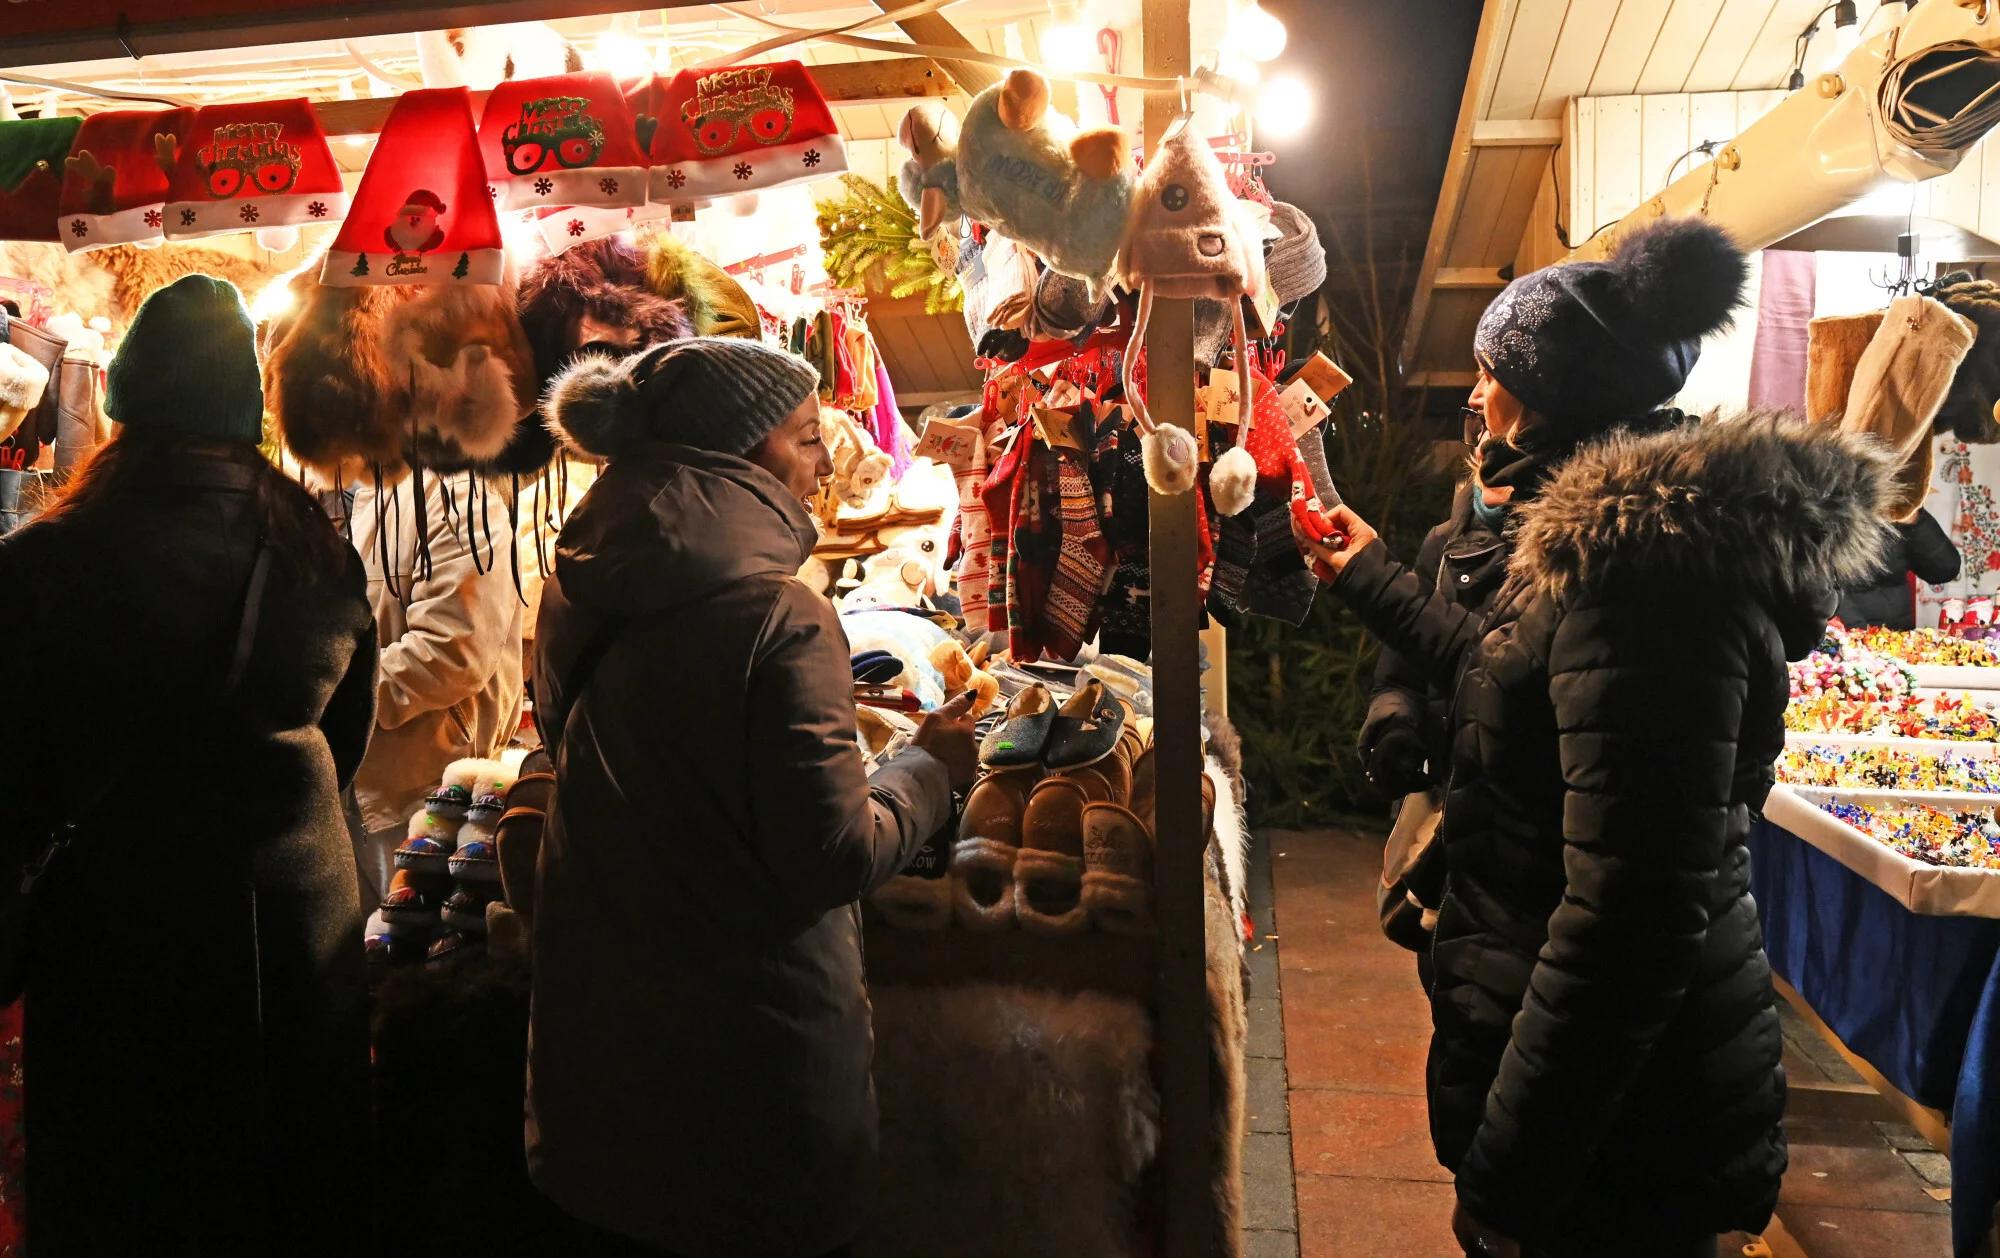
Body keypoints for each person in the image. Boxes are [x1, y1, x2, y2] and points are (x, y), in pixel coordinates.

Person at [1297, 220, 1897, 1258]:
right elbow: (1510, 678)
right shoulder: (1589, 560)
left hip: (1621, 1127)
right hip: (1593, 1092)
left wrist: (1511, 1171)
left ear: (1543, 394)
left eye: (1491, 373)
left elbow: (1630, 920)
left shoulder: (1645, 585)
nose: (1475, 395)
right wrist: (1371, 578)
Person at [526, 337, 978, 1257]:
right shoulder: (779, 612)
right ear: (748, 451)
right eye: (808, 437)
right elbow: (835, 853)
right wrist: (931, 767)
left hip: (600, 1050)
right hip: (753, 1070)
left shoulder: (579, 583)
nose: (823, 460)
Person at [0, 275, 379, 1255]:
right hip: (296, 913)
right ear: (243, 408)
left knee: (128, 1181)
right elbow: (344, 743)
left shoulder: (46, 558)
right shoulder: (318, 548)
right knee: (286, 1183)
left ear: (126, 408)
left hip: (118, 924)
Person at [339, 468, 524, 911]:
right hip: (342, 778)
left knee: (409, 947)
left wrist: (329, 690)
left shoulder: (457, 496)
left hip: (423, 790)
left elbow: (452, 653)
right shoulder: (321, 490)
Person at [1834, 508, 1961, 630]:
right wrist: (1860, 636)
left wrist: (1915, 520)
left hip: (1896, 639)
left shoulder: (1894, 507)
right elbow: (1820, 587)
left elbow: (1944, 570)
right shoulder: (1824, 506)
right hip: (1840, 639)